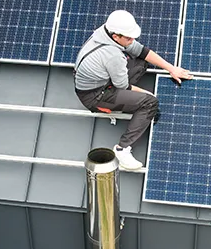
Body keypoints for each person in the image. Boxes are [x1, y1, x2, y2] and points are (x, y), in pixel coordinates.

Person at [74, 10, 192, 170]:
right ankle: (122, 150)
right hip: (96, 96)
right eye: (129, 38)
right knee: (150, 103)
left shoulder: (106, 33)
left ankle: (132, 101)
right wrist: (146, 94)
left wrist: (171, 69)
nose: (132, 40)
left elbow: (142, 51)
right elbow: (122, 86)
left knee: (141, 62)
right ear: (116, 37)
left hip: (103, 81)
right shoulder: (112, 54)